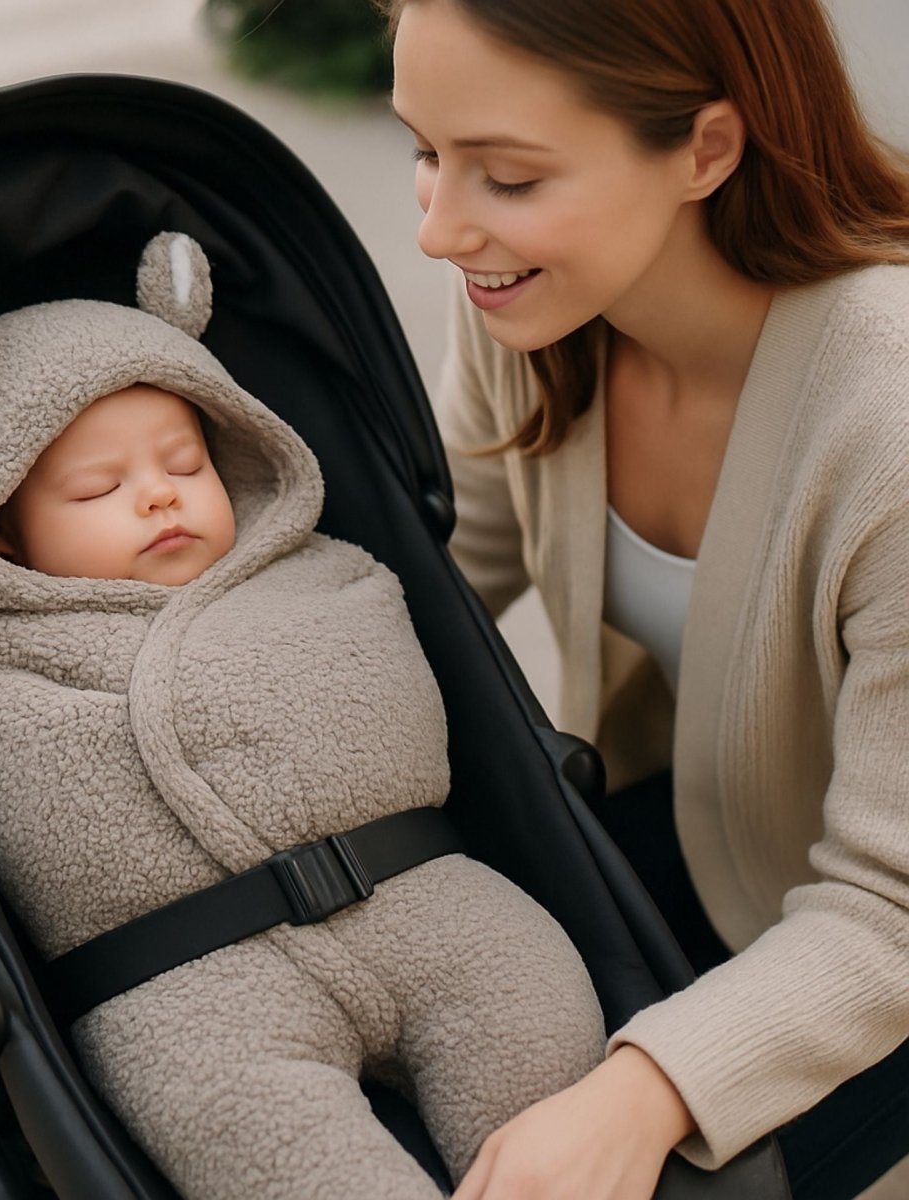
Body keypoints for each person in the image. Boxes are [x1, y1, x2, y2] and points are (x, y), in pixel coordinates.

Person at [0, 231, 604, 1200]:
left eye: (186, 463)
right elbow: (33, 811)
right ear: (0, 531)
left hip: (421, 894)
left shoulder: (320, 571)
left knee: (534, 1018)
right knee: (257, 1137)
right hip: (189, 977)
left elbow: (391, 705)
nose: (158, 496)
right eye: (99, 488)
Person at [380, 0, 909, 1197]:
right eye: (423, 150)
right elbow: (432, 594)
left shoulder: (888, 420)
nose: (439, 229)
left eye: (509, 176)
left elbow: (894, 904)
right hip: (718, 840)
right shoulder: (534, 312)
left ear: (707, 150)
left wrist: (643, 1093)